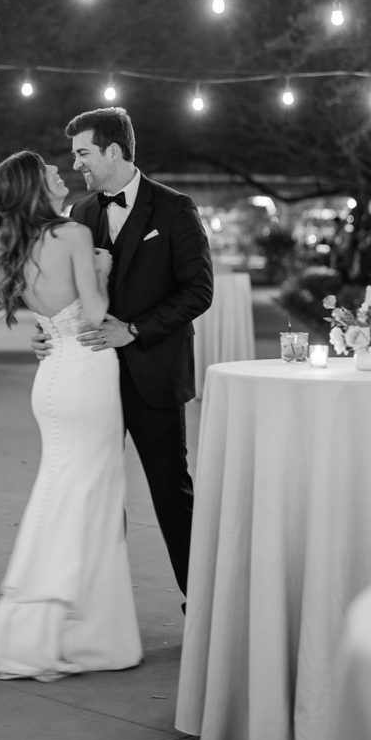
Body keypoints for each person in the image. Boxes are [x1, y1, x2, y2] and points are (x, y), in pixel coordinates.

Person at [0, 150, 142, 681]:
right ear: (33, 187)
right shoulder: (72, 236)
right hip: (87, 373)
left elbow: (48, 318)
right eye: (47, 171)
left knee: (65, 489)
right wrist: (103, 271)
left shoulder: (14, 243)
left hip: (52, 380)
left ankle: (44, 620)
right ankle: (73, 631)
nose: (59, 174)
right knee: (91, 494)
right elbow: (93, 313)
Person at [33, 108, 213, 599]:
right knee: (101, 497)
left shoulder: (176, 208)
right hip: (92, 379)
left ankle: (200, 607)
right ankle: (100, 605)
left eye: (83, 153)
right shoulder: (81, 215)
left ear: (114, 151)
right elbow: (67, 295)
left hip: (154, 376)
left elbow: (199, 291)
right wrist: (47, 331)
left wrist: (134, 330)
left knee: (172, 494)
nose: (76, 165)